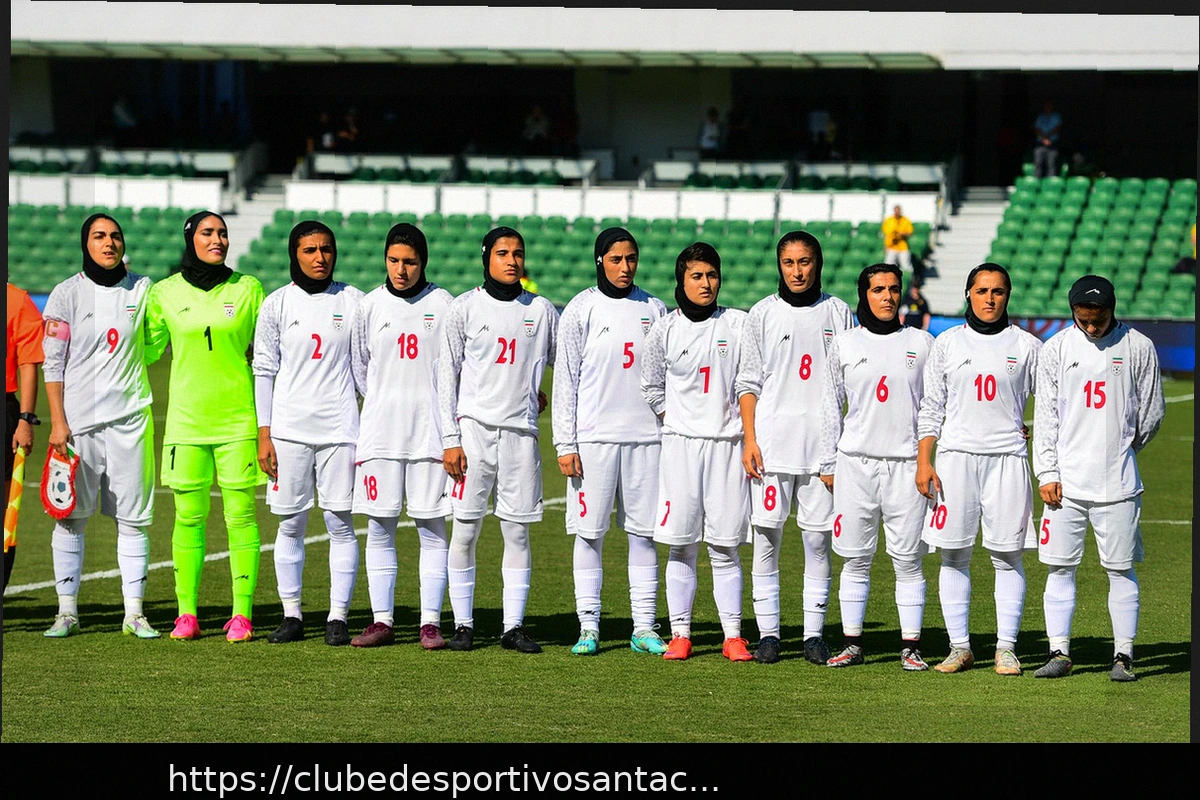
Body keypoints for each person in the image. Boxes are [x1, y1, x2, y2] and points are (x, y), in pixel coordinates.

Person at [1031, 275, 1165, 682]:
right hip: (1065, 484)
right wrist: (1048, 472)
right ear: (1072, 311)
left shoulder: (1139, 346)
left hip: (1118, 484)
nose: (1092, 327)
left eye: (1100, 319)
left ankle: (1122, 656)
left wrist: (1121, 451)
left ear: (1113, 309)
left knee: (1120, 569)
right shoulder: (1055, 349)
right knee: (1059, 568)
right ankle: (1059, 652)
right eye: (1083, 319)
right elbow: (1047, 417)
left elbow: (1152, 414)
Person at [144, 211, 266, 642]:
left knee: (241, 516)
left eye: (223, 233)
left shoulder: (248, 289)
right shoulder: (164, 293)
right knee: (188, 517)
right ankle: (186, 614)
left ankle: (242, 615)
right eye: (208, 233)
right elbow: (145, 351)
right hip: (185, 423)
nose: (218, 240)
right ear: (190, 239)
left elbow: (266, 353)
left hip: (238, 420)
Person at [916, 263, 1042, 675]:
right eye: (982, 290)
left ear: (1008, 296)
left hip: (1007, 460)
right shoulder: (947, 343)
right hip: (955, 461)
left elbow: (1054, 404)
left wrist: (1030, 432)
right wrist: (924, 461)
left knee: (1007, 555)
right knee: (953, 555)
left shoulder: (1027, 346)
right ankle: (959, 647)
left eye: (999, 291)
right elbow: (931, 407)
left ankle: (1005, 648)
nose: (990, 298)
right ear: (968, 293)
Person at [439, 227, 559, 653]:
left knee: (518, 534)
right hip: (472, 433)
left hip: (521, 436)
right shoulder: (464, 308)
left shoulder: (542, 310)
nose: (512, 260)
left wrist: (535, 393)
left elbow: (562, 366)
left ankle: (512, 626)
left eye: (518, 253)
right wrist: (450, 438)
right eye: (503, 253)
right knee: (466, 531)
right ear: (486, 256)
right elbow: (445, 376)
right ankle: (464, 624)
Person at [736, 231, 853, 664]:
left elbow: (852, 382)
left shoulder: (839, 312)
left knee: (818, 542)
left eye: (805, 262)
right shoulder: (762, 313)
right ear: (779, 266)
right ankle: (768, 634)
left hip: (823, 450)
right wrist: (750, 438)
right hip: (770, 447)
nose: (798, 271)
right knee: (766, 538)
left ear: (817, 263)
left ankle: (812, 634)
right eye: (789, 263)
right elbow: (747, 382)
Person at [39, 214, 158, 638]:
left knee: (133, 519)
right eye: (99, 236)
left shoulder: (143, 289)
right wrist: (57, 422)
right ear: (85, 243)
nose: (109, 244)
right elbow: (52, 362)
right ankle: (67, 612)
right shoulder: (65, 293)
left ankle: (134, 614)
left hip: (131, 422)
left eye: (115, 237)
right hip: (79, 426)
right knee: (70, 518)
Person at [552, 228, 670, 656]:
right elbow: (565, 379)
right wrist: (565, 443)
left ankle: (643, 626)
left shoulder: (654, 309)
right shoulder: (580, 310)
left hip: (646, 440)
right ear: (600, 260)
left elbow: (663, 379)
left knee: (643, 535)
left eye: (631, 258)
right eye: (616, 259)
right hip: (594, 442)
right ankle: (589, 626)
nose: (625, 267)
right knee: (590, 534)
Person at [818, 264, 936, 670]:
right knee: (855, 558)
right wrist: (828, 462)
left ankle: (910, 646)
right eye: (878, 289)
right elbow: (830, 405)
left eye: (893, 289)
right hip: (855, 464)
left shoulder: (922, 343)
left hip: (907, 466)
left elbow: (938, 406)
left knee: (908, 560)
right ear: (863, 294)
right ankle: (852, 643)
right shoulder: (845, 344)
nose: (887, 296)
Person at [253, 221, 364, 646]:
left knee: (340, 523)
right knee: (291, 524)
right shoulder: (277, 304)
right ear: (293, 255)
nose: (320, 257)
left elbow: (368, 369)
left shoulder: (354, 301)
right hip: (289, 432)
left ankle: (337, 617)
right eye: (310, 250)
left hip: (340, 430)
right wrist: (265, 433)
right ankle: (292, 614)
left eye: (327, 249)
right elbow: (264, 370)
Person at [642, 242, 753, 662]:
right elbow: (650, 385)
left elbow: (749, 381)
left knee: (724, 547)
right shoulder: (665, 330)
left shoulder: (739, 325)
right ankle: (681, 634)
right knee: (681, 543)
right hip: (680, 449)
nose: (706, 284)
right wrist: (676, 417)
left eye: (712, 275)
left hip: (727, 447)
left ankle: (733, 636)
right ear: (681, 280)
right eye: (696, 276)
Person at [348, 223, 455, 649]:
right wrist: (383, 403)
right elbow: (360, 369)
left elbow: (454, 367)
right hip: (380, 434)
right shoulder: (369, 306)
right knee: (380, 527)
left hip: (430, 435)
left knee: (431, 528)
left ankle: (430, 622)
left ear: (422, 261)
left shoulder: (444, 304)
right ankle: (382, 620)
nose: (401, 269)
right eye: (394, 261)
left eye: (409, 262)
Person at [5, 282, 45, 589]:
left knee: (4, 519)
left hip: (5, 410)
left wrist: (25, 419)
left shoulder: (17, 300)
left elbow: (28, 363)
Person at [1033, 100, 1062, 179]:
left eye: (1050, 106)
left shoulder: (1056, 116)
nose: (1048, 108)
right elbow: (1037, 129)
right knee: (1038, 163)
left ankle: (1050, 185)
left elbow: (1057, 128)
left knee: (1051, 164)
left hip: (1052, 143)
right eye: (1046, 106)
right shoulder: (1040, 117)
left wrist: (1048, 137)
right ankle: (1036, 183)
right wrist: (1044, 138)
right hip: (1040, 143)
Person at [882, 206, 914, 274]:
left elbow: (910, 232)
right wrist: (886, 246)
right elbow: (886, 234)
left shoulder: (906, 220)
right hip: (891, 245)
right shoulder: (889, 220)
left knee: (906, 266)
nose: (897, 213)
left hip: (902, 246)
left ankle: (910, 280)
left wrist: (903, 234)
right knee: (888, 266)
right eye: (896, 211)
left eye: (898, 211)